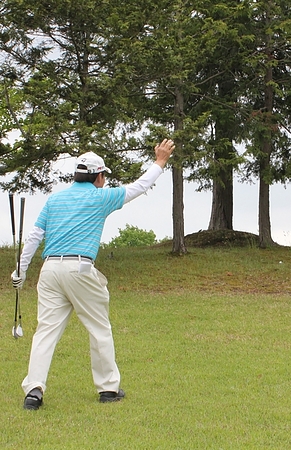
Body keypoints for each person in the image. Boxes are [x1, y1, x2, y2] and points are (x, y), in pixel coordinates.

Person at [11, 139, 175, 410]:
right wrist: (159, 162)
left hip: (49, 270)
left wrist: (21, 270)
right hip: (80, 269)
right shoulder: (101, 197)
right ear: (99, 176)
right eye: (103, 176)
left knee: (45, 332)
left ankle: (34, 390)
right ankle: (108, 389)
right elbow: (140, 187)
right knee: (99, 328)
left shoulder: (55, 199)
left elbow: (33, 237)